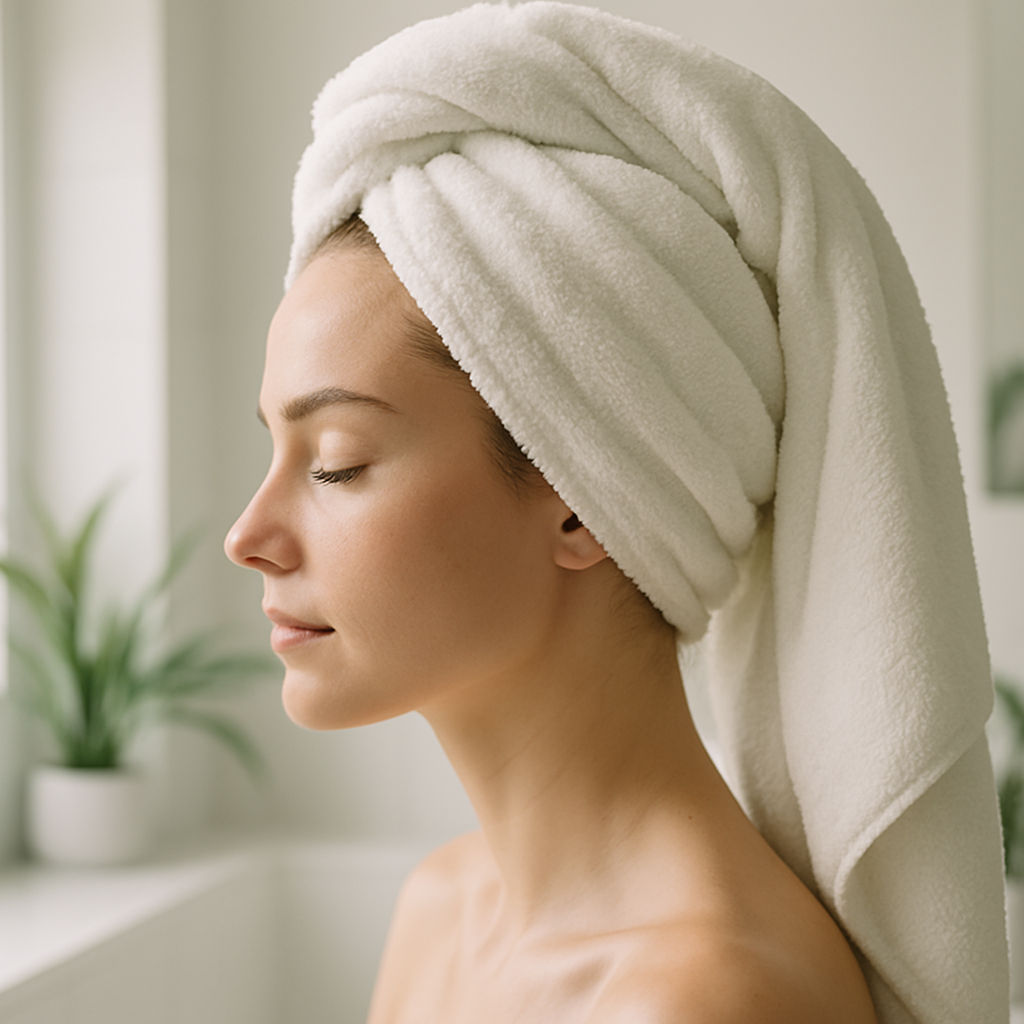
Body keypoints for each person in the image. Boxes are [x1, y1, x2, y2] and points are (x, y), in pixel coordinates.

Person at [224, 5, 1009, 1023]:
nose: (248, 536)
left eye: (335, 463)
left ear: (580, 501)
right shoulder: (440, 909)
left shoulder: (708, 996)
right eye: (274, 449)